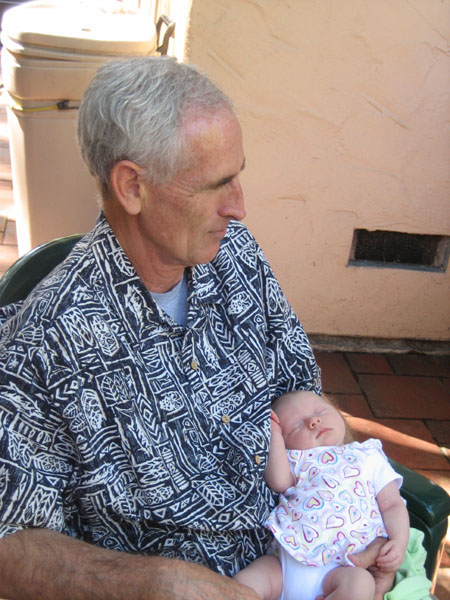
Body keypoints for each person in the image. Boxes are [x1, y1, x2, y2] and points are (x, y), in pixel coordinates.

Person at [0, 56, 324, 599]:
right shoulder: (50, 343)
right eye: (216, 184)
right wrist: (156, 584)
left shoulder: (236, 256)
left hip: (304, 553)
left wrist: (357, 505)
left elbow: (301, 390)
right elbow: (9, 541)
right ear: (132, 187)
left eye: (238, 175)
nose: (239, 207)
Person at [234, 390, 410, 600]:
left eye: (321, 411)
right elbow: (279, 482)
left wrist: (399, 541)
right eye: (296, 426)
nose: (313, 421)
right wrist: (274, 434)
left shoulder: (367, 456)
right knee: (245, 583)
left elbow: (393, 504)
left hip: (341, 567)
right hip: (286, 563)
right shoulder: (298, 459)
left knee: (361, 585)